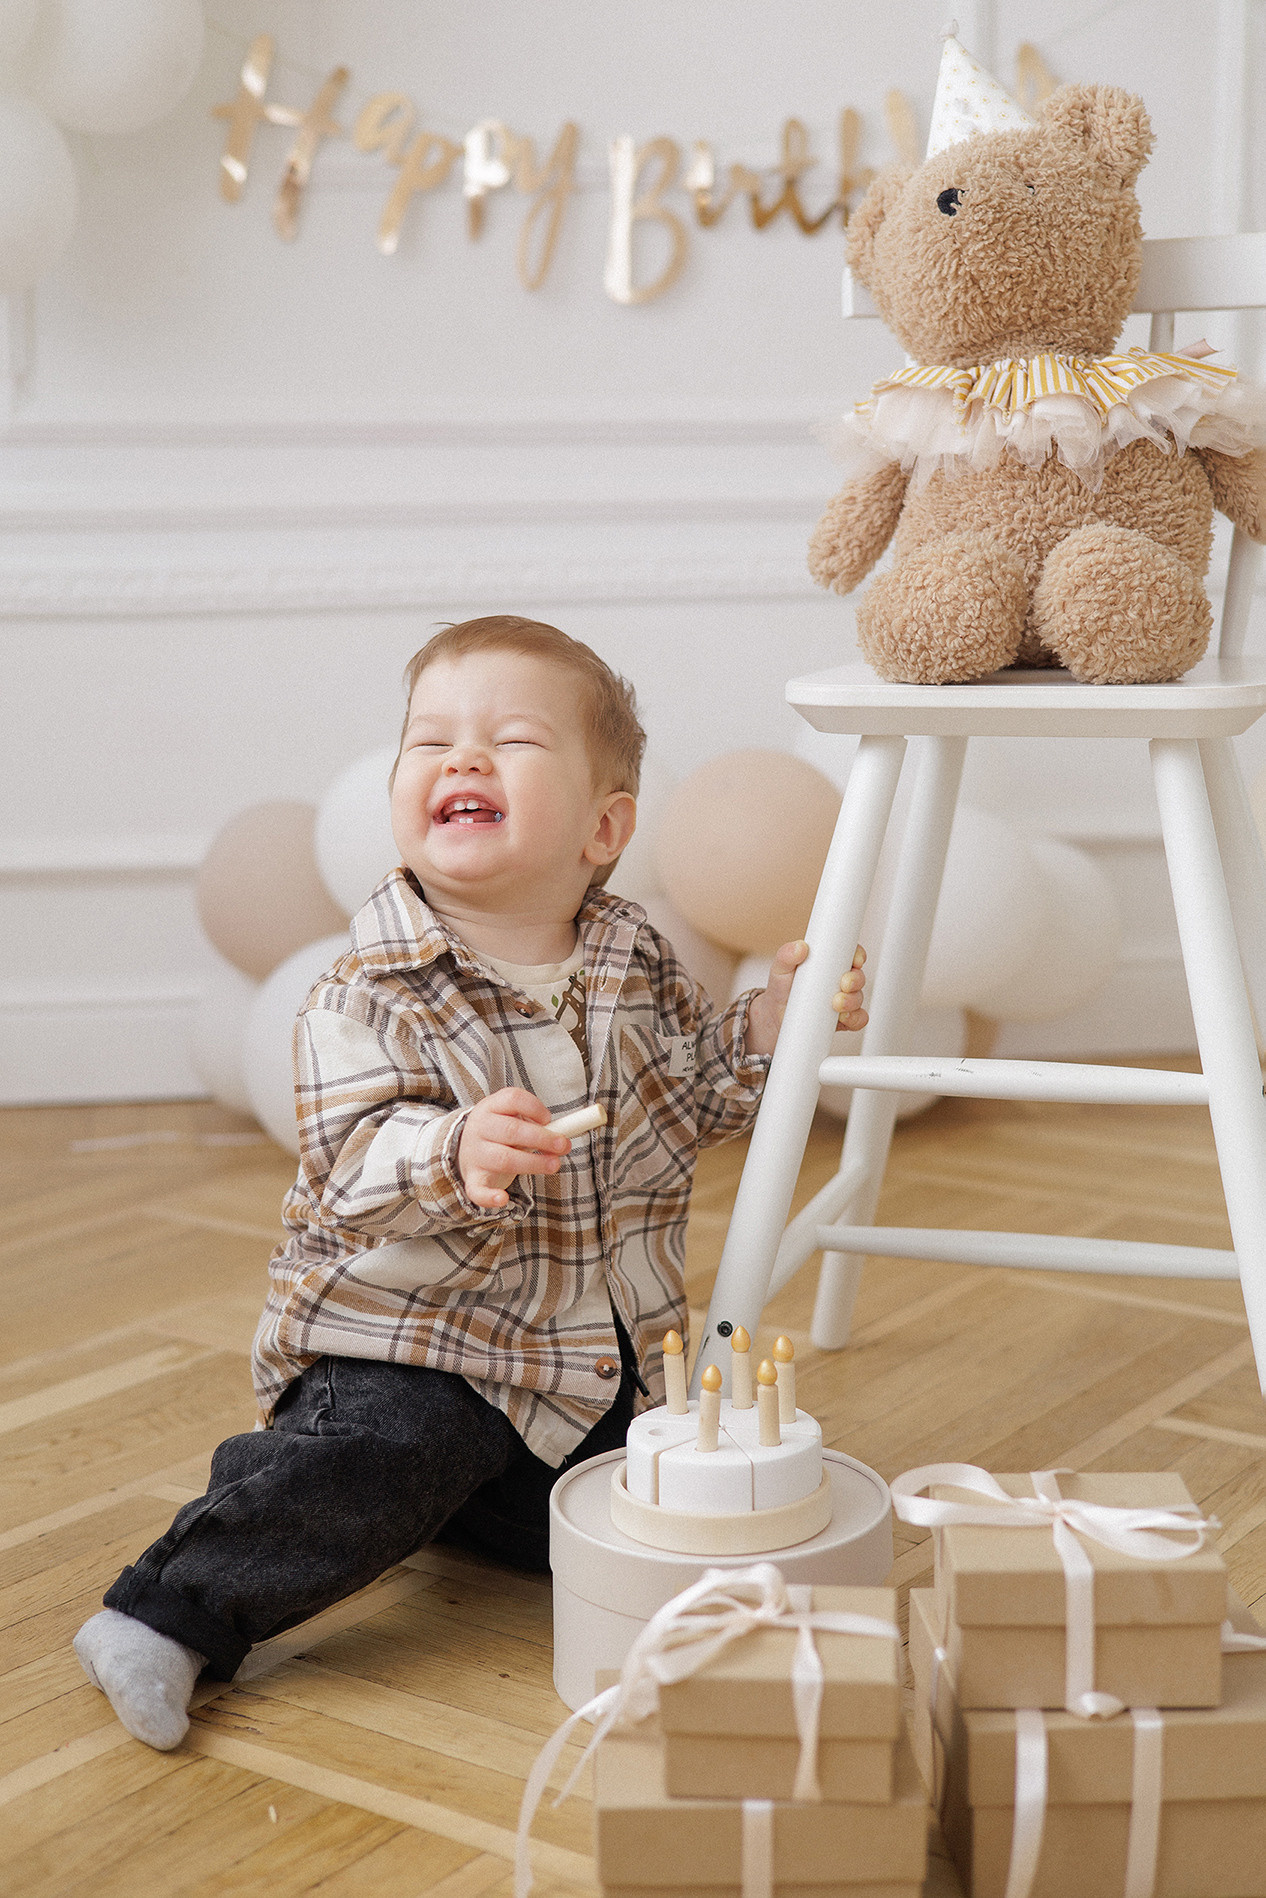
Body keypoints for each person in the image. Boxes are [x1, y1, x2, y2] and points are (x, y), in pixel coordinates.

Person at [74, 615, 867, 1749]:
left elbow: (695, 1092)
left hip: (589, 1369)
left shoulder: (635, 959)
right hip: (414, 1347)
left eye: (511, 739)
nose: (463, 759)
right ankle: (169, 1610)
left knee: (667, 1485)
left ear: (605, 825)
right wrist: (451, 1150)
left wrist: (777, 1025)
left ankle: (478, 1510)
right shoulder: (366, 989)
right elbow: (348, 1166)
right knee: (387, 1449)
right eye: (431, 739)